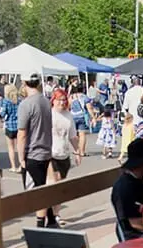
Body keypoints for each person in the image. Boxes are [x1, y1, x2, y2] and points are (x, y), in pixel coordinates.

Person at [17, 72, 56, 227]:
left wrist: (20, 159)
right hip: (46, 149)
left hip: (33, 152)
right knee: (43, 186)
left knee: (38, 190)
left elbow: (22, 133)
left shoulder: (26, 104)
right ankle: (51, 219)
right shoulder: (46, 101)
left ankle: (41, 224)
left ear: (25, 83)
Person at [50, 89, 81, 227]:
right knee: (54, 184)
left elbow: (73, 136)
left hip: (64, 154)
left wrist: (78, 151)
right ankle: (53, 215)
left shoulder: (68, 115)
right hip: (51, 154)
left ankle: (55, 212)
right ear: (53, 100)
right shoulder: (49, 114)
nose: (62, 102)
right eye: (59, 100)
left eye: (64, 100)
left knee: (61, 187)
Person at [68, 83, 94, 158]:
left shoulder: (71, 97)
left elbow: (68, 107)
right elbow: (89, 108)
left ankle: (76, 150)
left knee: (74, 135)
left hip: (73, 117)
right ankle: (82, 152)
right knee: (82, 135)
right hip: (82, 117)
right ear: (83, 89)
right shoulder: (85, 97)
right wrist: (93, 117)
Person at [0, 83, 20, 173]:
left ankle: (13, 166)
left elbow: (2, 114)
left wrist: (1, 115)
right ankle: (21, 165)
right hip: (19, 125)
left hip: (10, 125)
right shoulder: (20, 101)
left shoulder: (6, 101)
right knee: (20, 147)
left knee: (11, 147)